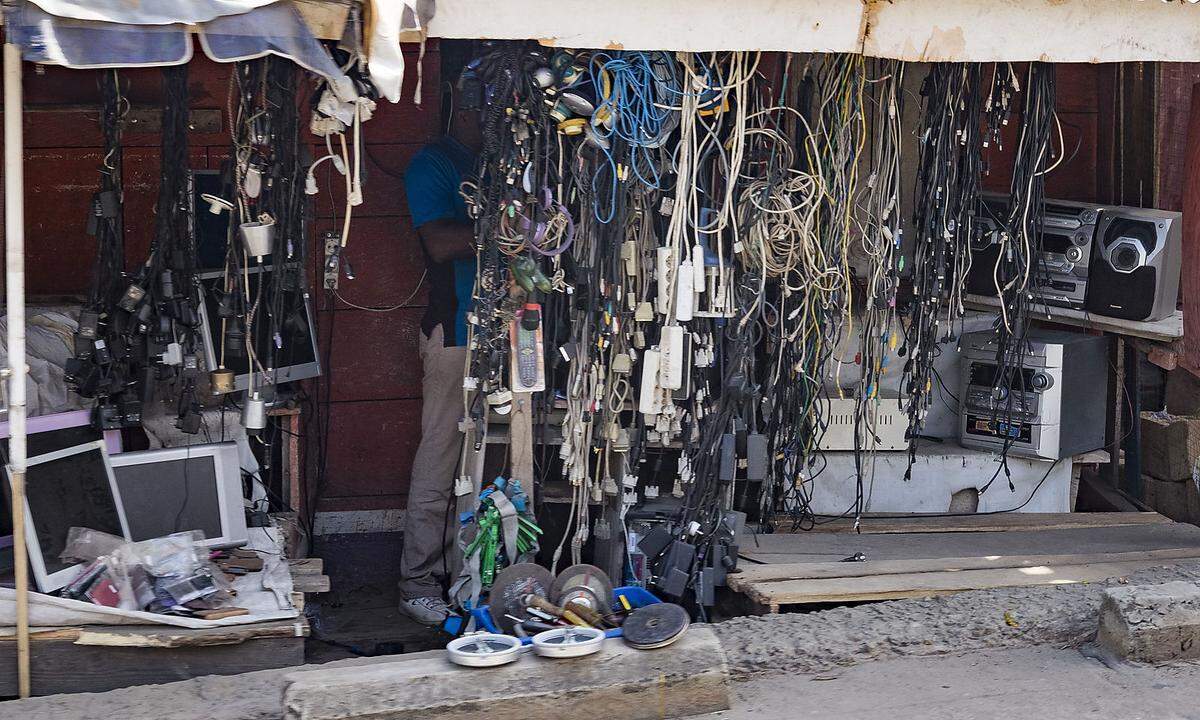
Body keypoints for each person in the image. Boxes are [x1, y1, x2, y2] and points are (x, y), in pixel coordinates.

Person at [398, 77, 481, 624]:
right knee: (439, 461)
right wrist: (510, 227)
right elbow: (440, 242)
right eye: (482, 105)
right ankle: (417, 583)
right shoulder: (434, 165)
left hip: (502, 334)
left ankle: (466, 579)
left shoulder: (501, 165)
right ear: (456, 106)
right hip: (454, 333)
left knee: (479, 466)